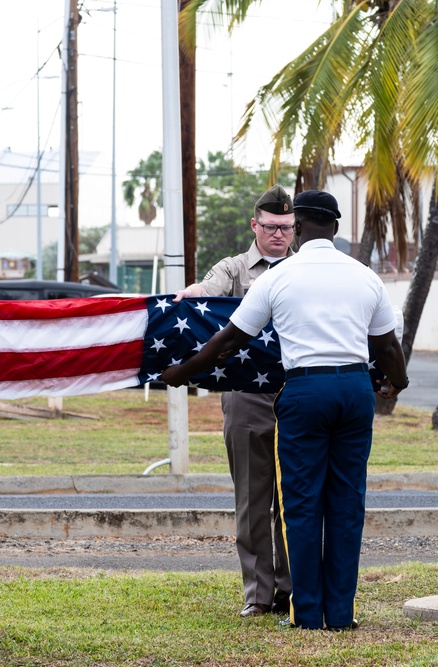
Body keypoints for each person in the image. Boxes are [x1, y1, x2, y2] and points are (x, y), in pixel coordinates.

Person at [163, 190, 408, 631]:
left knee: (301, 503)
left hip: (304, 391)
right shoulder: (365, 275)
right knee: (347, 504)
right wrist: (397, 383)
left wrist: (184, 371)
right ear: (334, 227)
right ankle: (342, 613)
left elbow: (230, 339)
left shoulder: (279, 277)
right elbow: (387, 345)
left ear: (298, 226)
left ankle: (307, 613)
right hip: (354, 391)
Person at [172, 184, 294, 618]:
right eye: (271, 226)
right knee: (252, 496)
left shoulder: (304, 268)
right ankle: (260, 595)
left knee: (295, 496)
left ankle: (293, 588)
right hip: (247, 395)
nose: (279, 235)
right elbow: (208, 289)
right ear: (254, 225)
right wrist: (191, 294)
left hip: (298, 392)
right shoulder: (236, 268)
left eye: (286, 227)